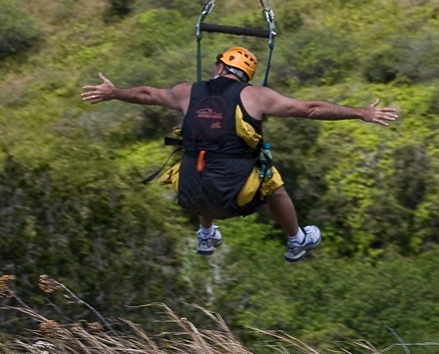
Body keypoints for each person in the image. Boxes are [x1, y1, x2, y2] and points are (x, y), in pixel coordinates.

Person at [81, 46, 398, 262]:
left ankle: (205, 234)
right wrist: (360, 113)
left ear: (220, 67)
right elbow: (310, 109)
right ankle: (296, 240)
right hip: (235, 198)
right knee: (270, 180)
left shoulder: (187, 91)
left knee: (198, 157)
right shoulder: (256, 96)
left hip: (190, 194)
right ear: (246, 74)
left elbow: (149, 94)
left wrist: (114, 93)